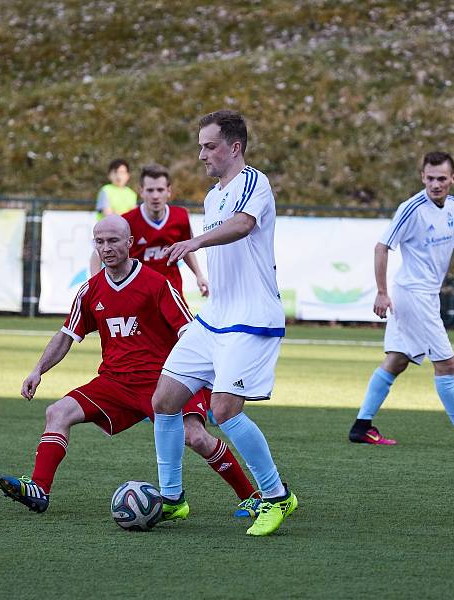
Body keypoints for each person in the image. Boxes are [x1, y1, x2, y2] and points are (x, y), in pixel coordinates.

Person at [0, 215, 258, 514]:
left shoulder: (156, 284)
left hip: (164, 382)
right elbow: (67, 335)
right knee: (57, 412)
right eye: (99, 242)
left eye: (113, 241)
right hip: (115, 382)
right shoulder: (90, 290)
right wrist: (37, 370)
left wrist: (207, 377)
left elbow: (190, 332)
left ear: (130, 243)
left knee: (195, 436)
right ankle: (39, 488)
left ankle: (251, 496)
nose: (106, 248)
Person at [151, 110, 298, 537]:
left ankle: (275, 497)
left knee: (223, 410)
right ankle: (173, 499)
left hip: (251, 319)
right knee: (164, 400)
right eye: (199, 146)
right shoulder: (212, 196)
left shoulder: (255, 182)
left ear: (234, 147)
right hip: (214, 318)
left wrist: (193, 241)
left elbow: (242, 226)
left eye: (209, 145)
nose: (201, 154)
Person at [348, 151, 454, 447]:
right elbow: (382, 247)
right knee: (446, 363)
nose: (435, 184)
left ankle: (361, 426)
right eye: (430, 178)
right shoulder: (412, 208)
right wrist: (381, 292)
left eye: (442, 178)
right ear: (422, 177)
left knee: (396, 361)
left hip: (427, 295)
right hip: (412, 295)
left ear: (453, 179)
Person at [122, 163, 209, 298]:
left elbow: (186, 249)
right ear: (141, 191)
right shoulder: (126, 221)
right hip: (138, 293)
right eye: (150, 190)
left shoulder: (181, 216)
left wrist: (199, 275)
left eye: (160, 190)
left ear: (168, 191)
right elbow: (99, 253)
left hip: (172, 291)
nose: (155, 196)